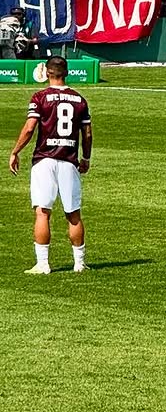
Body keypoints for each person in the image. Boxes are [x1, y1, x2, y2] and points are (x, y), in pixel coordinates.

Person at [9, 55, 92, 275]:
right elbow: (88, 133)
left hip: (44, 160)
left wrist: (15, 151)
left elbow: (29, 129)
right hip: (69, 160)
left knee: (42, 212)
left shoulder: (40, 97)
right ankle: (79, 263)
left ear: (47, 72)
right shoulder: (79, 99)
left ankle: (43, 264)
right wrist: (86, 158)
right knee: (73, 213)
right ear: (67, 72)